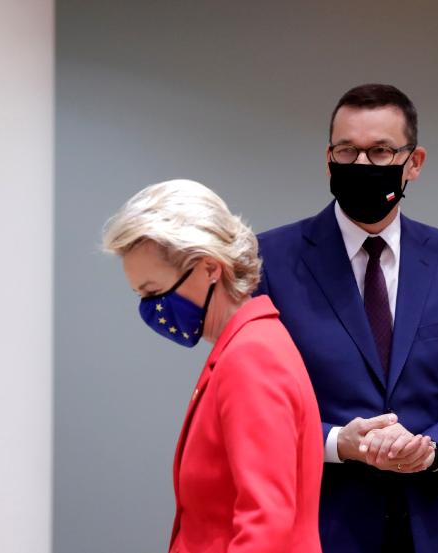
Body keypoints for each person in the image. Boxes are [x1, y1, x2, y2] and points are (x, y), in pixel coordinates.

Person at [255, 84, 438, 553]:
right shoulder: (269, 259)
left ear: (414, 163)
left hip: (430, 530)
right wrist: (339, 442)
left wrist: (431, 450)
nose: (361, 165)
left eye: (380, 152)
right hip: (317, 530)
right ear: (328, 159)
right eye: (346, 151)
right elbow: (251, 412)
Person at [102, 179, 323, 553]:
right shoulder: (243, 346)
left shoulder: (252, 357)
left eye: (154, 292)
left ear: (209, 268)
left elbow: (265, 524)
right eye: (141, 295)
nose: (151, 308)